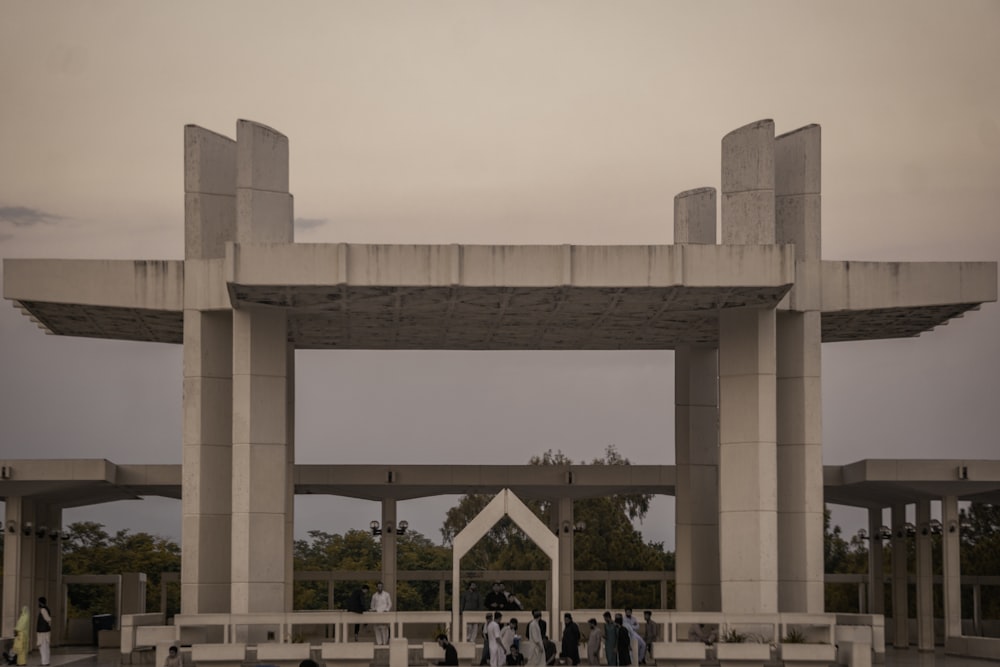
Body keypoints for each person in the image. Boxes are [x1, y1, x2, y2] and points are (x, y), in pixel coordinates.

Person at [36, 597, 51, 667]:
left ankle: (44, 662)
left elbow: (48, 619)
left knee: (43, 647)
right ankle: (46, 661)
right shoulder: (46, 609)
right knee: (46, 647)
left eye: (39, 602)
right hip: (45, 631)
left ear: (40, 602)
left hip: (43, 632)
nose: (38, 603)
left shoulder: (43, 610)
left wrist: (47, 626)